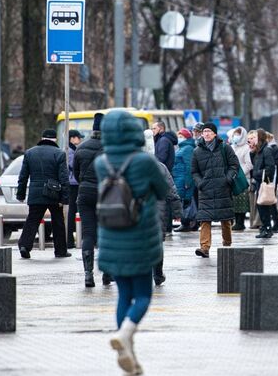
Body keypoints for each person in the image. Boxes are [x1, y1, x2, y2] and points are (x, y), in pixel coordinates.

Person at [95, 110, 168, 375]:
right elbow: (163, 190)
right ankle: (125, 335)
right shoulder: (143, 161)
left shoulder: (101, 162)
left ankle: (128, 353)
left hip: (111, 237)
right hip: (140, 237)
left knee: (124, 295)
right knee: (143, 296)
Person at [16, 129, 70, 259]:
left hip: (35, 193)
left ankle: (24, 246)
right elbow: (64, 178)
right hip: (53, 193)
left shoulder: (29, 153)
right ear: (55, 139)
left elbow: (23, 176)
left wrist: (21, 194)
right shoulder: (59, 154)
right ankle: (60, 251)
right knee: (58, 222)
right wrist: (64, 198)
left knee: (32, 220)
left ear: (42, 138)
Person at [191, 123, 239, 258]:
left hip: (223, 188)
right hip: (205, 190)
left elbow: (234, 165)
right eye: (204, 131)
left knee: (225, 218)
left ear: (215, 134)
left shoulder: (225, 148)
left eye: (209, 131)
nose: (206, 133)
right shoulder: (197, 151)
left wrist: (227, 179)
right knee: (204, 219)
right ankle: (204, 248)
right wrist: (200, 183)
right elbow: (194, 171)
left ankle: (227, 243)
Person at [73, 114, 106, 287]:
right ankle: (107, 274)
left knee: (88, 233)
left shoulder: (81, 147)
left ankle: (88, 274)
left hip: (85, 193)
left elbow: (76, 173)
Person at [155, 161, 181, 286]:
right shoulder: (160, 166)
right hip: (158, 209)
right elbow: (171, 190)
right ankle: (158, 274)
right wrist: (177, 211)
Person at [250, 129, 277, 238]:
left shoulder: (266, 150)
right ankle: (265, 228)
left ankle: (267, 228)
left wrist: (257, 173)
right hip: (258, 182)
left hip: (263, 182)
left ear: (260, 138)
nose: (253, 139)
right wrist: (252, 151)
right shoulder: (259, 150)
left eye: (255, 137)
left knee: (263, 206)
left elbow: (270, 168)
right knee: (261, 206)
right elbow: (254, 164)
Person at [228, 127, 253, 231]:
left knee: (241, 201)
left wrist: (240, 174)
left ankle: (240, 222)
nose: (236, 137)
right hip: (232, 178)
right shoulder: (231, 147)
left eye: (238, 135)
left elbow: (249, 164)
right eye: (234, 135)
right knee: (233, 201)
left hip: (242, 178)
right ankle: (235, 222)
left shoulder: (246, 148)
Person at [172, 128, 197, 232]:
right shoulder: (181, 148)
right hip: (178, 177)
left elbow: (189, 166)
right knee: (182, 200)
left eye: (181, 136)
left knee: (186, 201)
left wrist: (188, 181)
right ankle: (185, 222)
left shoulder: (188, 148)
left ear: (186, 137)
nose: (179, 138)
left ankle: (187, 223)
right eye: (178, 136)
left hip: (183, 179)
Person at [67, 129, 84, 249]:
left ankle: (71, 240)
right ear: (72, 138)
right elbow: (73, 166)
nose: (80, 139)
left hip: (73, 183)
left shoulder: (72, 150)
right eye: (79, 137)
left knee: (73, 212)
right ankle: (69, 240)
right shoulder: (70, 151)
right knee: (72, 212)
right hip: (73, 184)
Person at [266, 132, 278, 232]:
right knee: (270, 202)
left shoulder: (274, 149)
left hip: (273, 180)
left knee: (272, 202)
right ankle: (273, 223)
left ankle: (276, 223)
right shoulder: (270, 149)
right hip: (271, 179)